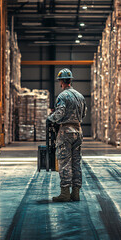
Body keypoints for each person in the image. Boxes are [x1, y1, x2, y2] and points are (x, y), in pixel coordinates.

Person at [48, 68, 87, 202]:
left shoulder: (63, 96)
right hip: (78, 131)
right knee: (76, 162)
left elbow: (59, 113)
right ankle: (76, 193)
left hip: (66, 132)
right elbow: (83, 114)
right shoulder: (80, 96)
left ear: (61, 81)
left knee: (64, 162)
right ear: (71, 80)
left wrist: (50, 119)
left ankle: (65, 192)